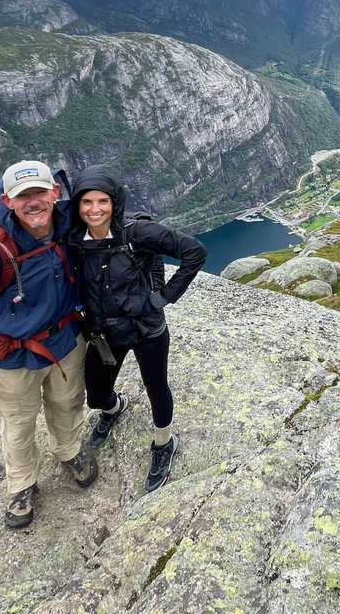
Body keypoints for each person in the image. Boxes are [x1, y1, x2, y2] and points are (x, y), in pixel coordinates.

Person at [0, 160, 97, 529]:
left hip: (63, 344)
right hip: (14, 357)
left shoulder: (67, 225)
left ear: (55, 193)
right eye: (22, 196)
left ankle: (69, 452)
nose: (33, 203)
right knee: (19, 424)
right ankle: (22, 485)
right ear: (8, 201)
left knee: (68, 405)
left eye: (39, 193)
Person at [68, 165, 206, 493]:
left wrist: (164, 297)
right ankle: (116, 407)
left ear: (115, 202)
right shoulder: (74, 240)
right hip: (105, 332)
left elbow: (194, 251)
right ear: (77, 205)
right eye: (86, 202)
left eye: (103, 201)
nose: (94, 209)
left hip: (147, 329)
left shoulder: (136, 234)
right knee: (96, 394)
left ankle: (163, 443)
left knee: (156, 386)